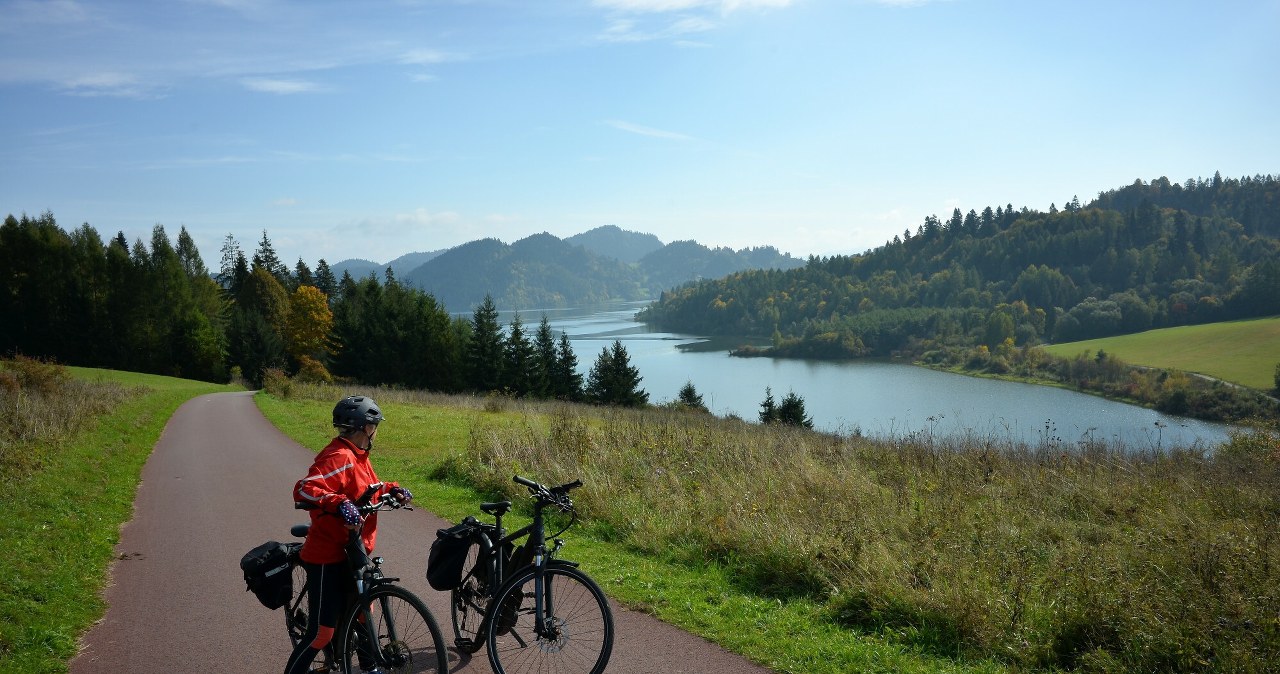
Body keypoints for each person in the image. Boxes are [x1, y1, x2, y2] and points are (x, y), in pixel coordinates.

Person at [284, 395, 412, 674]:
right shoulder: (339, 456)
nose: (376, 431)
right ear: (366, 428)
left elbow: (368, 489)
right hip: (327, 555)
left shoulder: (358, 455)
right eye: (375, 426)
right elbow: (305, 488)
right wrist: (339, 503)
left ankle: (369, 668)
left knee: (364, 613)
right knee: (321, 634)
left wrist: (392, 489)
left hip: (353, 550)